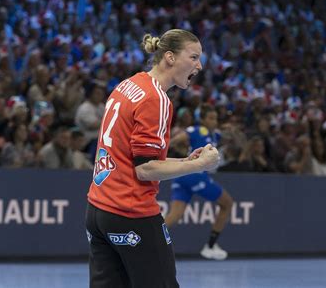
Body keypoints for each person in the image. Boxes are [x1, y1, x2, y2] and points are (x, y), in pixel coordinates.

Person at [85, 29, 220, 288]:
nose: (199, 66)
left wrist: (184, 161)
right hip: (130, 211)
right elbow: (145, 169)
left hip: (98, 211)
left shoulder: (129, 85)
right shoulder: (156, 98)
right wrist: (199, 165)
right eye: (193, 57)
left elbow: (133, 154)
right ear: (169, 57)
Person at [165, 104, 234, 260]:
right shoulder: (197, 130)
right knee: (227, 203)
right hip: (194, 175)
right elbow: (176, 140)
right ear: (202, 119)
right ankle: (210, 246)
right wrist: (163, 152)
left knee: (174, 216)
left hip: (182, 176)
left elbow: (227, 140)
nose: (214, 121)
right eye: (210, 118)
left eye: (215, 118)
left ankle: (146, 241)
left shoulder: (213, 136)